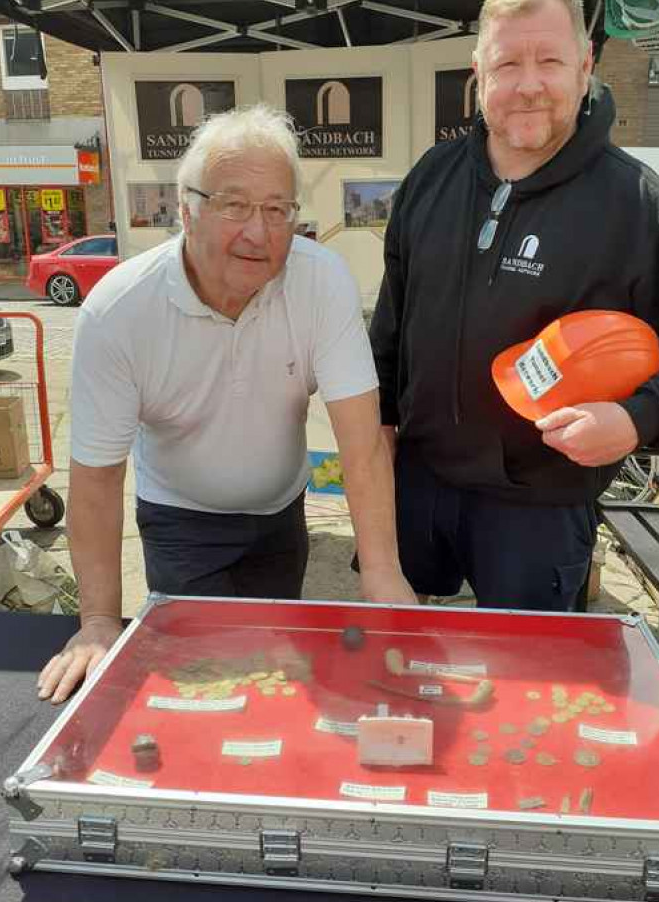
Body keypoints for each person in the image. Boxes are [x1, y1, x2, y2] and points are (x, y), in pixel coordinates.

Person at [39, 104, 416, 704]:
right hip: (181, 520)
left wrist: (382, 574)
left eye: (276, 210)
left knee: (276, 676)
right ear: (187, 209)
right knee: (203, 685)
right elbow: (95, 479)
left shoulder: (322, 281)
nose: (258, 232)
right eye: (234, 205)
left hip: (281, 514)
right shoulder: (119, 311)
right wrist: (100, 621)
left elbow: (362, 440)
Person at [370, 0, 659, 612]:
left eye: (549, 60)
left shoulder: (635, 204)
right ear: (479, 73)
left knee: (524, 686)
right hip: (417, 481)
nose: (528, 84)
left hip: (539, 503)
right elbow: (392, 323)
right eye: (507, 63)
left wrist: (638, 419)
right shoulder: (431, 179)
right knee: (405, 670)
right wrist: (377, 430)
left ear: (585, 66)